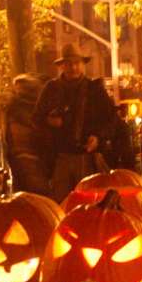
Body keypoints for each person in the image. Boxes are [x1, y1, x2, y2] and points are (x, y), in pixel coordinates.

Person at [33, 43, 116, 201]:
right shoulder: (51, 89)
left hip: (87, 158)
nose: (73, 67)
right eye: (69, 63)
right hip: (60, 158)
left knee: (89, 203)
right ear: (62, 66)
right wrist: (49, 121)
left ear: (82, 65)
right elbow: (36, 118)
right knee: (61, 204)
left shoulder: (94, 90)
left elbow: (111, 120)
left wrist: (98, 138)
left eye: (77, 63)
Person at [5, 73, 51, 195]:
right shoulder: (18, 108)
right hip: (26, 156)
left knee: (31, 194)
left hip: (28, 155)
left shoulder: (20, 108)